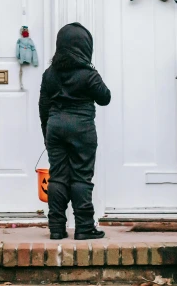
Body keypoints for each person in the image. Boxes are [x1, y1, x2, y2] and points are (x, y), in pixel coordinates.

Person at [39, 23, 111, 240]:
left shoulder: (49, 74)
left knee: (58, 176)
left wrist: (47, 133)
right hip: (82, 128)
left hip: (55, 126)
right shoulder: (88, 74)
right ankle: (84, 227)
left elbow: (43, 106)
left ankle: (57, 228)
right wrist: (92, 73)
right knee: (81, 176)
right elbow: (105, 98)